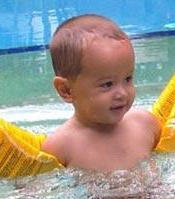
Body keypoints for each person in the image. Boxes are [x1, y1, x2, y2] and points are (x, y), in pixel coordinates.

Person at [41, 14, 161, 172]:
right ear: (66, 90)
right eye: (107, 84)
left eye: (128, 79)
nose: (122, 93)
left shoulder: (146, 124)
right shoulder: (60, 147)